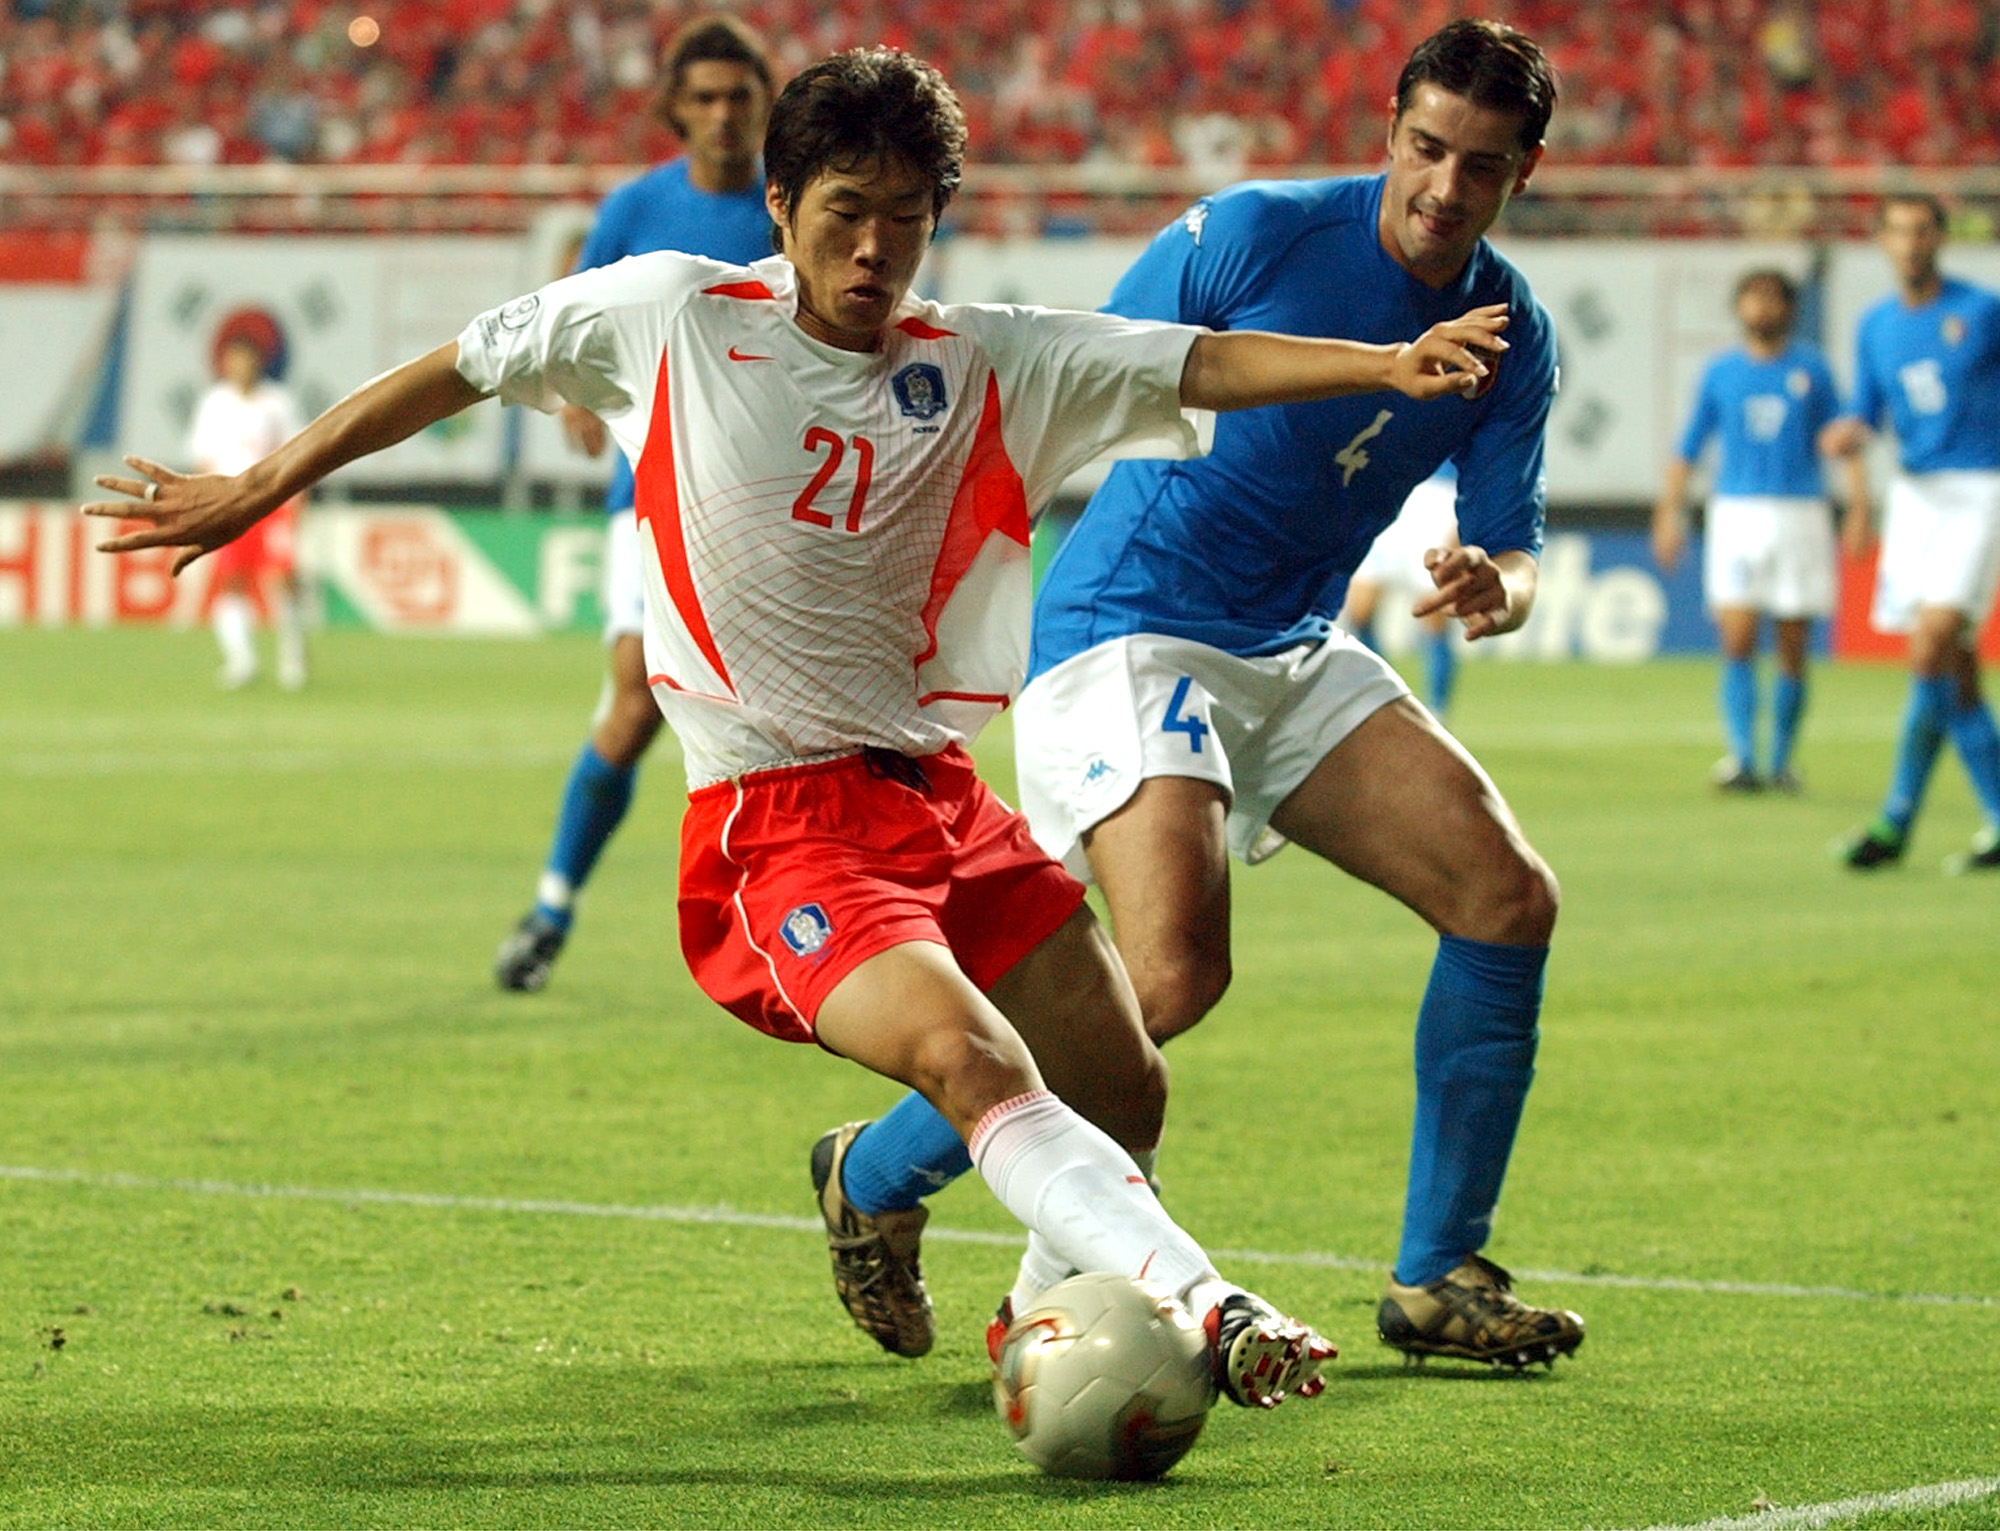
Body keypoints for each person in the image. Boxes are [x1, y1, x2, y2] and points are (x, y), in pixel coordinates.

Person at [90, 47, 1508, 1410]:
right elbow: (462, 363)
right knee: (972, 1059)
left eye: (907, 218)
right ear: (782, 207)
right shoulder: (668, 313)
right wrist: (265, 480)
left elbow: (1197, 361)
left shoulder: (988, 358)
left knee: (1125, 1079)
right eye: (847, 214)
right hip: (777, 818)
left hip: (940, 799)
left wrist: (1384, 370)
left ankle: (1028, 1306)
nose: (878, 251)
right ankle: (1212, 1306)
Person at [817, 18, 1586, 1374]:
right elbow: (1078, 366)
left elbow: (1513, 538)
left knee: (1507, 894)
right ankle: (878, 1173)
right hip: (1131, 622)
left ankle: (1434, 1275)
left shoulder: (1515, 336)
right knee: (1168, 973)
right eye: (1425, 148)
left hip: (1287, 640)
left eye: (1481, 165)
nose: (1444, 188)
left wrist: (1496, 585)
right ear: (1390, 129)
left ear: (1523, 171)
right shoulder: (1258, 234)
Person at [494, 14, 779, 992]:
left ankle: (812, 921)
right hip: (652, 490)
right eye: (702, 97)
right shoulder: (632, 210)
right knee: (632, 704)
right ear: (675, 110)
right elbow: (563, 319)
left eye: (738, 96)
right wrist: (574, 390)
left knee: (786, 722)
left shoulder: (790, 209)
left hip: (774, 497)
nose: (722, 114)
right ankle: (549, 907)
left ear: (762, 105)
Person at [1824, 193, 2000, 874]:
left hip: (1979, 488)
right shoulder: (1876, 326)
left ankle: (1898, 814)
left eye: (1923, 230)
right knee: (1947, 665)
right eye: (1899, 230)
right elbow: (1865, 411)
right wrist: (1852, 454)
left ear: (1940, 238)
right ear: (1883, 241)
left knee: (1932, 644)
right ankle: (1900, 825)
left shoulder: (1982, 312)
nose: (1911, 241)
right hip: (1917, 498)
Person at [1652, 268, 1842, 794]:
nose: (1762, 308)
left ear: (1789, 308)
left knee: (1792, 644)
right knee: (1736, 638)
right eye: (1753, 297)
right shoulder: (1721, 373)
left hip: (1801, 511)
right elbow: (1688, 447)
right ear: (1739, 307)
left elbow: (1841, 437)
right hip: (1737, 513)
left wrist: (1861, 503)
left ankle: (1781, 762)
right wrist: (1670, 513)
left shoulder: (1813, 369)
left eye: (1773, 298)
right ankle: (1741, 758)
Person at [190, 327, 308, 690]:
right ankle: (242, 660)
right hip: (231, 504)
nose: (239, 366)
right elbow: (204, 458)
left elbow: (299, 454)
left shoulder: (278, 403)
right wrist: (206, 505)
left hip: (271, 502)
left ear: (258, 362)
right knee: (232, 581)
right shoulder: (215, 403)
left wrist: (297, 501)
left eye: (245, 359)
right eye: (232, 359)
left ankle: (293, 657)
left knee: (282, 579)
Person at [1340, 467, 1462, 718]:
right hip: (1390, 488)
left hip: (1438, 498)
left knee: (1434, 615)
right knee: (1360, 611)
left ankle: (1437, 710)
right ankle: (1385, 697)